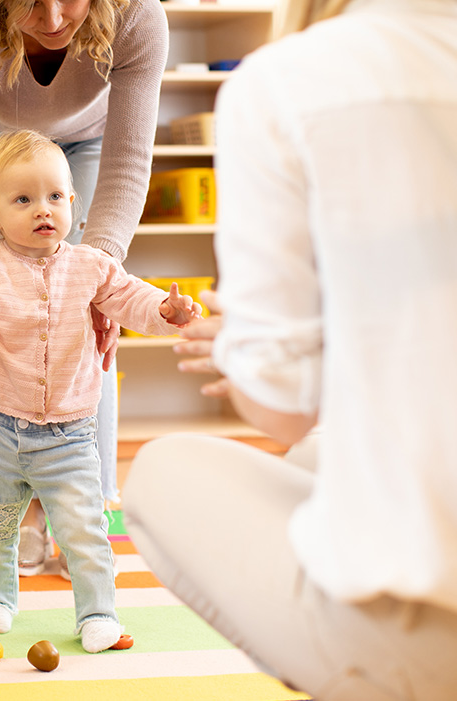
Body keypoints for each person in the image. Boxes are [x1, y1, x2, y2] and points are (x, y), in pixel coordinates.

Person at [121, 0, 457, 698]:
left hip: (430, 626)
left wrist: (252, 344)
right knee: (313, 459)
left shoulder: (289, 82)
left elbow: (282, 408)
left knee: (161, 471)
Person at [0, 130, 200, 652]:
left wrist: (165, 311)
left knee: (84, 531)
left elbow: (130, 298)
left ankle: (98, 613)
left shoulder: (91, 266)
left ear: (73, 203)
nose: (42, 210)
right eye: (23, 199)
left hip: (70, 435)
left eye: (54, 197)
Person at [0, 0, 169, 577]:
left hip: (91, 148)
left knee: (87, 322)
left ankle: (83, 514)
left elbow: (128, 161)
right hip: (0, 148)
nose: (56, 16)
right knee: (17, 315)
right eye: (31, 2)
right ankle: (22, 512)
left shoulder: (139, 16)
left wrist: (98, 277)